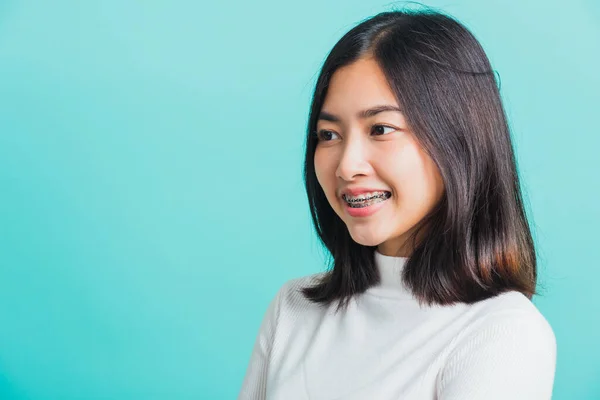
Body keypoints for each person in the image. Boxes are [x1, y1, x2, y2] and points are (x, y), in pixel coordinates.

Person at [238, 7, 556, 400]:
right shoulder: (293, 307)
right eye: (329, 134)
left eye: (381, 129)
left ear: (457, 140)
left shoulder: (502, 332)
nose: (347, 166)